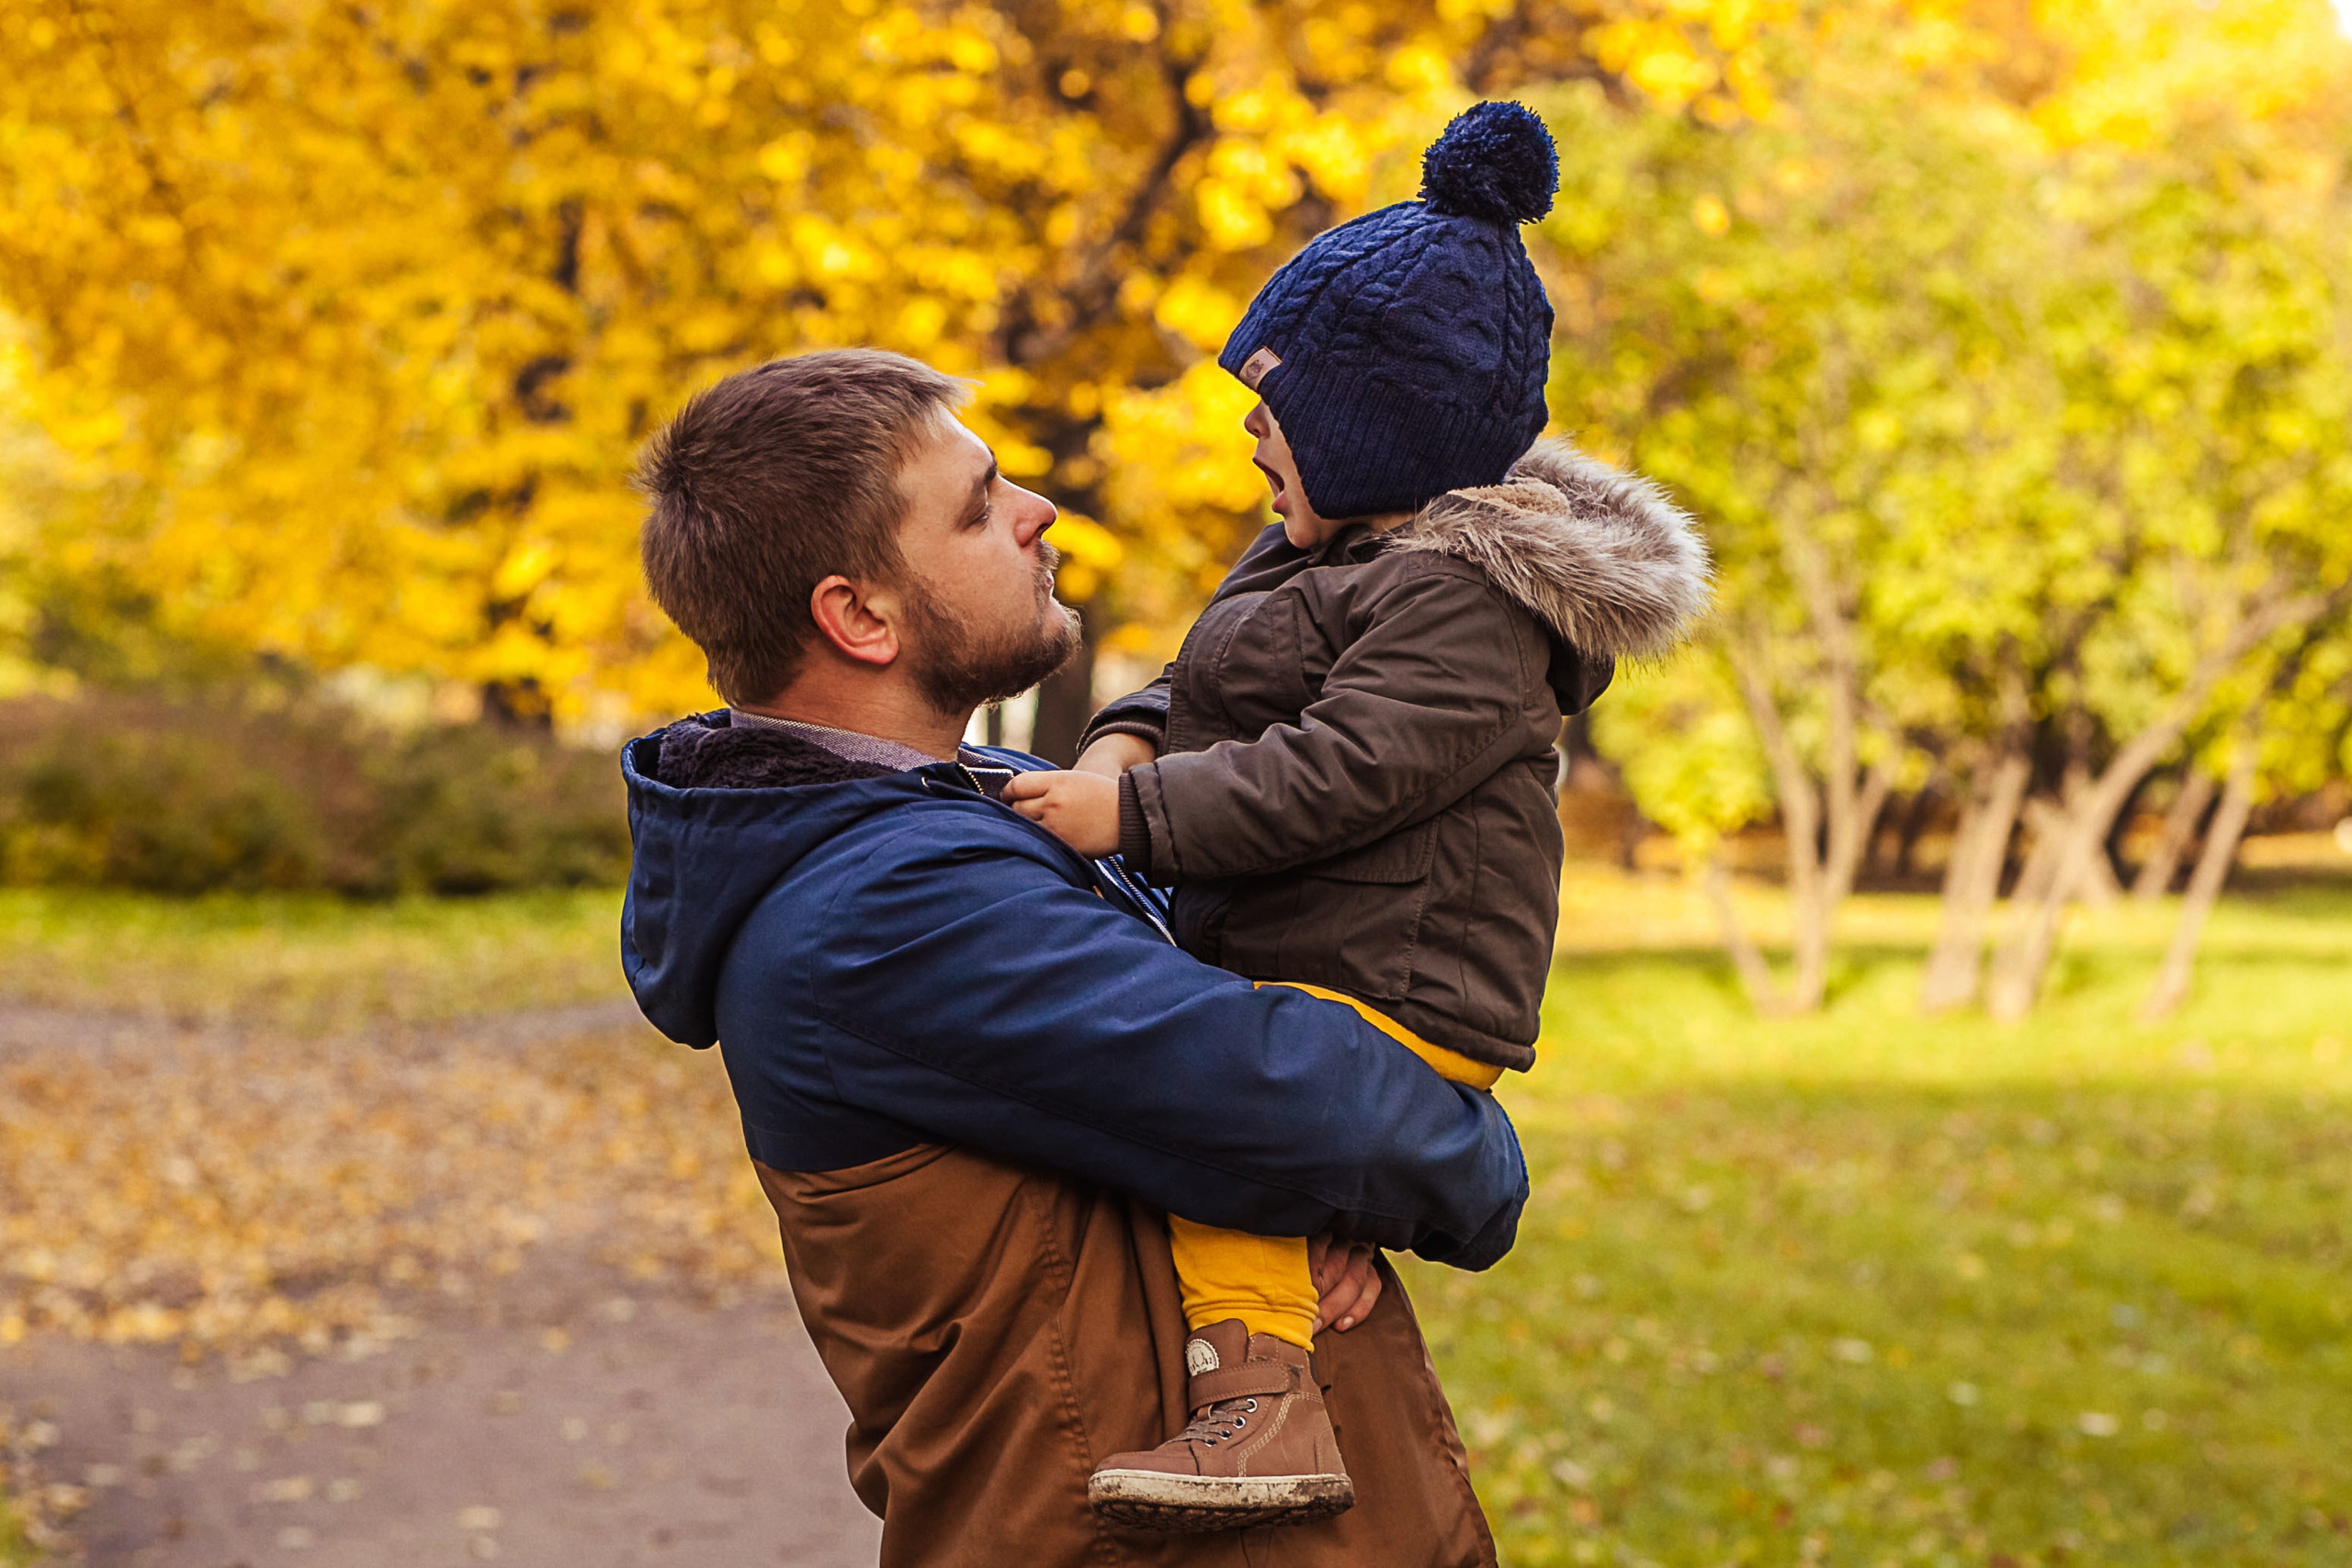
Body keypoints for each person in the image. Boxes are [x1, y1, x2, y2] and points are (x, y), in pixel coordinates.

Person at [620, 346, 1528, 1566]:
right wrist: (1438, 1151)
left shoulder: (978, 811)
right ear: (859, 616)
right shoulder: (887, 909)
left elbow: (1266, 1089)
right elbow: (1354, 1126)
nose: (1038, 511)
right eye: (980, 505)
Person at [1001, 103, 1711, 1531]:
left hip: (1400, 978)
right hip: (1321, 956)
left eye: (1282, 410)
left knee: (1205, 1103)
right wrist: (1136, 722)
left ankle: (1260, 1407)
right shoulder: (1318, 548)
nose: (1253, 430)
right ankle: (1284, 1314)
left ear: (1378, 441)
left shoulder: (1459, 604)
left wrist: (1129, 811)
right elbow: (1214, 670)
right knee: (1227, 1121)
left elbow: (1343, 770)